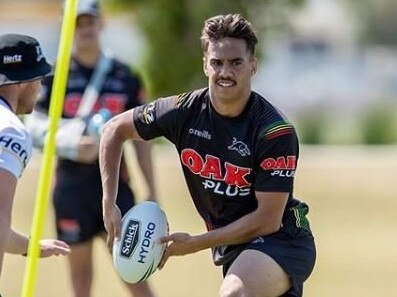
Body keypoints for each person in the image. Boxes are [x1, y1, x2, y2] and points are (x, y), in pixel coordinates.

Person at [100, 14, 316, 297]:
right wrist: (109, 201)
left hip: (282, 239)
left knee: (233, 294)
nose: (225, 71)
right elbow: (114, 130)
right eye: (217, 62)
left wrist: (196, 243)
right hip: (235, 247)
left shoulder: (273, 131)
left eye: (236, 62)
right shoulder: (183, 111)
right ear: (205, 64)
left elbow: (268, 220)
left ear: (253, 66)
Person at [25, 1, 158, 297]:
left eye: (89, 21)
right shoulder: (51, 77)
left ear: (101, 24)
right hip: (71, 190)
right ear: (66, 27)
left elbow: (143, 140)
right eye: (77, 23)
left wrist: (152, 190)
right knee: (80, 280)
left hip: (117, 188)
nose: (84, 29)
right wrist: (71, 144)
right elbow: (33, 126)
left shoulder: (126, 76)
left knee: (135, 274)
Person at [0, 33, 71, 287]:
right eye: (38, 77)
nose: (40, 87)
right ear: (20, 81)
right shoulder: (10, 130)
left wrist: (31, 247)